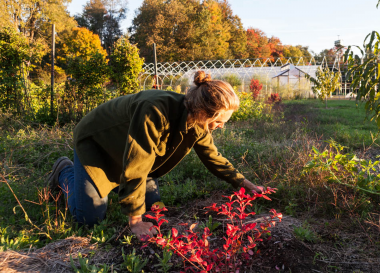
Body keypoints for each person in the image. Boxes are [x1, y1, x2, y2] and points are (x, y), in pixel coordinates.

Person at [46, 71, 263, 239]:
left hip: (131, 150)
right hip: (98, 143)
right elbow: (137, 163)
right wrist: (135, 221)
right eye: (220, 121)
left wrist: (246, 184)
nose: (221, 126)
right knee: (89, 220)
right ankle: (65, 172)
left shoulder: (198, 122)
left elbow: (213, 158)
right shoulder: (154, 110)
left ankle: (113, 187)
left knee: (155, 211)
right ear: (204, 112)